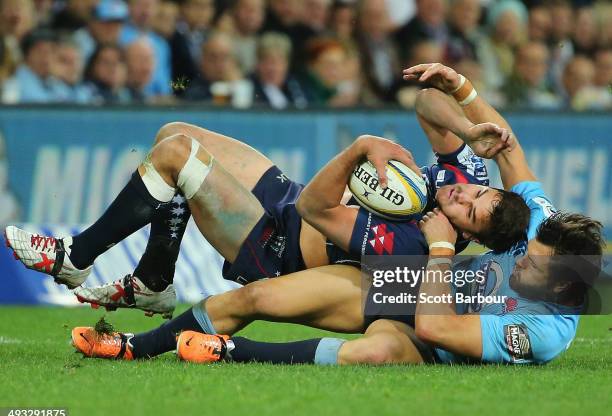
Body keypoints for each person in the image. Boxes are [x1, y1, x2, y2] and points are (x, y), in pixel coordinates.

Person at [71, 64, 603, 367]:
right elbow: (506, 148)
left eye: (534, 268)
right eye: (529, 252)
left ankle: (233, 351)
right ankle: (133, 349)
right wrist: (462, 90)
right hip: (405, 284)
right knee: (258, 298)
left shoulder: (541, 331)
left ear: (561, 289)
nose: (522, 263)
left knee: (375, 354)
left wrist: (441, 248)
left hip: (427, 330)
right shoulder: (542, 228)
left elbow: (438, 328)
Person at [5, 66, 527, 318]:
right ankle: (155, 279)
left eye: (472, 213)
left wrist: (360, 147)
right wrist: (464, 128)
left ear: (468, 237)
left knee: (175, 157)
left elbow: (314, 208)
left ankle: (75, 256)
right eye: (480, 196)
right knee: (171, 132)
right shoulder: (466, 180)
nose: (464, 199)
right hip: (287, 201)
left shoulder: (412, 247)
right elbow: (425, 102)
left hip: (275, 246)